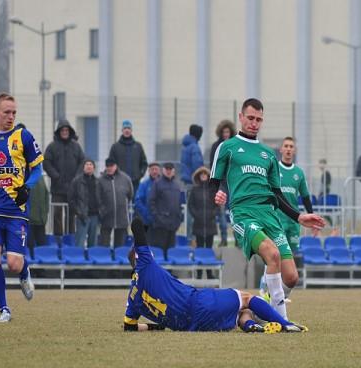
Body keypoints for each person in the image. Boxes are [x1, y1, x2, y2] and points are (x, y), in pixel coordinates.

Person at [211, 98, 325, 320]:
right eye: (251, 118)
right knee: (272, 255)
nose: (254, 123)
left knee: (291, 277)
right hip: (243, 213)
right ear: (241, 117)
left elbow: (277, 194)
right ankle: (281, 320)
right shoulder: (228, 147)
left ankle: (265, 309)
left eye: (259, 119)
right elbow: (213, 182)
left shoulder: (268, 154)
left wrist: (299, 216)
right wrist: (216, 194)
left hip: (270, 215)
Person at [123, 217, 305, 333]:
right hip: (198, 303)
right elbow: (137, 224)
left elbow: (129, 326)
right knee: (246, 298)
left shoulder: (133, 297)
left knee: (243, 312)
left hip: (189, 327)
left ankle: (252, 326)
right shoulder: (145, 264)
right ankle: (285, 324)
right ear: (139, 257)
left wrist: (156, 326)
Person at [0, 92, 44, 322]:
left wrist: (27, 186)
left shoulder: (23, 136)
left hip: (16, 211)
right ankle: (4, 310)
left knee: (14, 264)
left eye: (14, 112)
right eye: (7, 112)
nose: (11, 116)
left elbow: (37, 168)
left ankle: (24, 272)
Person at [259, 136, 314, 297]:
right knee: (274, 254)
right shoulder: (274, 169)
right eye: (286, 146)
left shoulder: (298, 173)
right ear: (281, 149)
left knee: (289, 257)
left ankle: (280, 295)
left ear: (294, 150)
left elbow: (305, 197)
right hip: (277, 220)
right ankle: (264, 287)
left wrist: (312, 218)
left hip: (293, 223)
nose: (289, 149)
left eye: (291, 146)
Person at [43, 119, 85, 235]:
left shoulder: (76, 147)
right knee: (57, 214)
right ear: (59, 132)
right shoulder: (52, 147)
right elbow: (46, 162)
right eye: (62, 130)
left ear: (70, 131)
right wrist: (55, 175)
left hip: (73, 189)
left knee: (71, 215)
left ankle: (70, 238)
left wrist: (77, 177)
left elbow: (83, 162)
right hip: (57, 188)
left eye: (67, 130)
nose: (65, 132)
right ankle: (58, 239)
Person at [209, 120, 236, 246]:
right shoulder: (216, 146)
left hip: (233, 183)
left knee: (235, 211)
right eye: (224, 132)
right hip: (221, 184)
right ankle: (224, 238)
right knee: (220, 212)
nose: (226, 134)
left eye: (228, 131)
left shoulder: (235, 145)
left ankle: (237, 238)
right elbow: (212, 164)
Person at [187, 166, 218, 279]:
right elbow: (190, 205)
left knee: (209, 249)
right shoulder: (194, 190)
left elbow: (217, 205)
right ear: (199, 176)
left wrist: (212, 214)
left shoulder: (212, 189)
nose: (204, 176)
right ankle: (199, 273)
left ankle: (209, 273)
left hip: (210, 224)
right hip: (198, 224)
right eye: (202, 174)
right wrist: (197, 215)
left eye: (205, 174)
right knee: (199, 249)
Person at [97, 158, 133, 248]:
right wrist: (102, 211)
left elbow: (130, 194)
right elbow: (97, 197)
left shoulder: (125, 179)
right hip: (106, 216)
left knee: (120, 244)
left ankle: (118, 258)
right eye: (107, 166)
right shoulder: (100, 180)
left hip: (121, 216)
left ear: (116, 166)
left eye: (111, 166)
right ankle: (104, 258)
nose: (109, 168)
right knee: (104, 243)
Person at [148, 162, 183, 253]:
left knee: (171, 252)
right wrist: (158, 218)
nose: (168, 171)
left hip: (173, 225)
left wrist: (178, 220)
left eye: (170, 169)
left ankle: (169, 268)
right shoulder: (157, 183)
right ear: (163, 170)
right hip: (160, 226)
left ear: (173, 171)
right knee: (160, 252)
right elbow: (151, 202)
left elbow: (179, 204)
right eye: (166, 169)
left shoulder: (177, 185)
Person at [108, 120, 148, 195]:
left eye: (128, 128)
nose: (127, 130)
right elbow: (110, 163)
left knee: (134, 203)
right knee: (122, 203)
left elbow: (144, 163)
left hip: (135, 182)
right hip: (119, 182)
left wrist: (140, 174)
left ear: (131, 130)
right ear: (122, 130)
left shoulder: (138, 146)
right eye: (125, 128)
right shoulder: (115, 147)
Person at [69, 160, 100, 248]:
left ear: (94, 168)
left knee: (93, 243)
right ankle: (78, 260)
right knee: (80, 242)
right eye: (87, 164)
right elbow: (71, 199)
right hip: (82, 216)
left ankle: (92, 259)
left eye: (91, 164)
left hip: (95, 216)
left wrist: (101, 211)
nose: (89, 166)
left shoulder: (98, 182)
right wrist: (78, 212)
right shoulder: (76, 181)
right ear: (83, 167)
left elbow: (102, 198)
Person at [180, 124, 204, 242]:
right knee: (193, 211)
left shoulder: (185, 146)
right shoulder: (194, 147)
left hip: (186, 182)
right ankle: (192, 238)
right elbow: (197, 166)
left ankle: (189, 236)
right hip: (194, 183)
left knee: (189, 209)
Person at [134, 162, 161, 240]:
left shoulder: (163, 184)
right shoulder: (144, 184)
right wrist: (146, 213)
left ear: (159, 171)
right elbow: (138, 201)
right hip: (147, 221)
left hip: (161, 222)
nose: (154, 171)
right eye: (152, 169)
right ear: (149, 171)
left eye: (156, 169)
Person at [27, 174, 49, 250]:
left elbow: (46, 196)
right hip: (29, 220)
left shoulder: (41, 177)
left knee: (42, 246)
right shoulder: (23, 176)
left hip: (41, 219)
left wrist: (45, 213)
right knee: (29, 245)